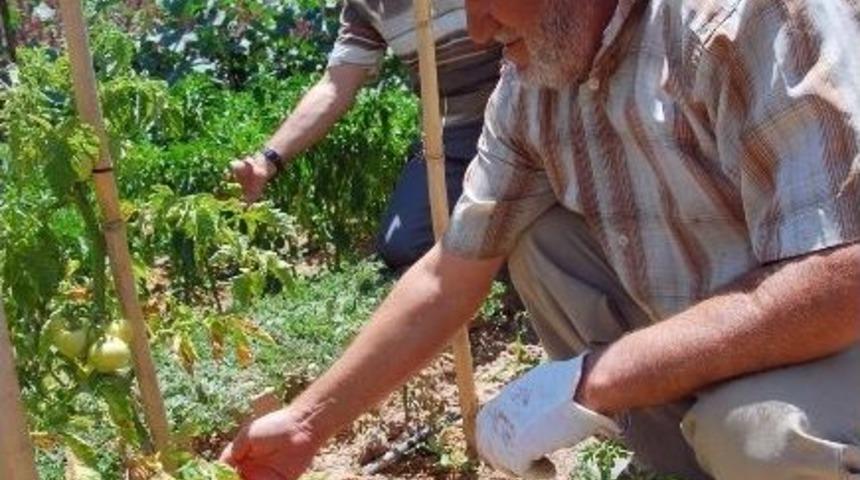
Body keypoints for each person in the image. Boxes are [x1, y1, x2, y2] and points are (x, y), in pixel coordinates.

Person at [221, 0, 860, 479]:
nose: (475, 30)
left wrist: (595, 381)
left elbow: (843, 282)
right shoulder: (532, 89)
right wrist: (307, 423)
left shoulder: (743, 20)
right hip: (739, 333)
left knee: (758, 438)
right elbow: (450, 274)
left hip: (841, 335)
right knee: (539, 240)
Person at [231, 0, 501, 270]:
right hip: (450, 134)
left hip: (524, 107)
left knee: (526, 221)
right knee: (404, 246)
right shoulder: (367, 5)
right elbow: (336, 86)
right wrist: (266, 161)